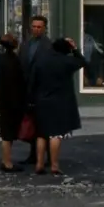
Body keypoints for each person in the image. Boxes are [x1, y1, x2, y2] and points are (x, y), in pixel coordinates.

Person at [31, 37, 86, 176]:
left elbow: (33, 82)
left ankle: (39, 164)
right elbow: (82, 62)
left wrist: (31, 99)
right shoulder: (66, 61)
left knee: (41, 134)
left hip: (42, 101)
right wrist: (75, 49)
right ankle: (54, 165)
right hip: (60, 101)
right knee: (56, 134)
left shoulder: (41, 61)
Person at [21, 15, 52, 165]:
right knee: (32, 124)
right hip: (28, 89)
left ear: (45, 28)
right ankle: (33, 155)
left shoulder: (49, 46)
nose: (36, 29)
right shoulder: (26, 44)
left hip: (43, 90)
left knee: (46, 126)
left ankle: (50, 157)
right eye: (34, 26)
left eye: (39, 27)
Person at [0, 34, 26, 172]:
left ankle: (5, 160)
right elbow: (20, 81)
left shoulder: (0, 60)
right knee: (8, 133)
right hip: (14, 100)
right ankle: (7, 162)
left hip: (4, 100)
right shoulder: (15, 61)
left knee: (5, 132)